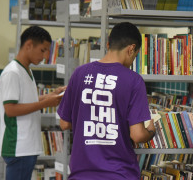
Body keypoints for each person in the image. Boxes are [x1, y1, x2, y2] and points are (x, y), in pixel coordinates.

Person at [58, 22, 156, 180]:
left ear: (109, 44)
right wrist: (150, 131)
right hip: (119, 173)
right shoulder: (133, 80)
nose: (132, 62)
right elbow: (137, 135)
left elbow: (64, 123)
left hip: (81, 174)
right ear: (131, 49)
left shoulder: (79, 74)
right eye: (135, 56)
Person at [0, 26, 66, 180]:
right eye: (43, 50)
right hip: (18, 147)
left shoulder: (26, 70)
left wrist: (52, 95)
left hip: (27, 146)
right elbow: (10, 109)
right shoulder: (12, 72)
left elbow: (28, 100)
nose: (46, 55)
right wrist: (45, 103)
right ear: (29, 45)